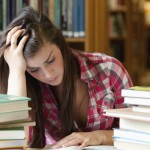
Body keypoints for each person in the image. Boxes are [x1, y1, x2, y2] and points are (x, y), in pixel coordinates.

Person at [0, 6, 133, 149]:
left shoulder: (110, 70)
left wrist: (99, 136)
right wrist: (16, 71)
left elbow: (137, 135)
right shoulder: (23, 82)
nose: (48, 74)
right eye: (34, 69)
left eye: (50, 60)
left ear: (60, 43)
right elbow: (14, 144)